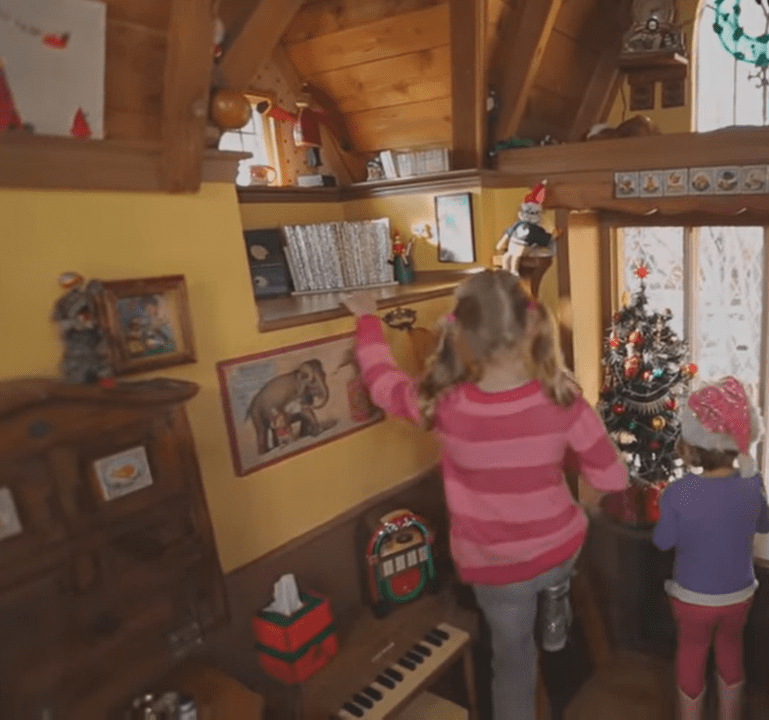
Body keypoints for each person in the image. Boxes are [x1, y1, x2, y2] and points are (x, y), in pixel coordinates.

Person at [342, 269, 628, 720]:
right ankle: (556, 602)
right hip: (559, 547)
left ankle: (545, 610)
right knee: (563, 554)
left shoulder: (444, 403)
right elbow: (612, 479)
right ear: (531, 324)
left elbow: (383, 386)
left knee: (512, 662)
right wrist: (560, 459)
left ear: (461, 333)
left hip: (497, 569)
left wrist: (366, 320)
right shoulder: (563, 398)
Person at [653, 376, 769, 720]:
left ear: (694, 443)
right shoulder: (751, 484)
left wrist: (667, 508)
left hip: (692, 599)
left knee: (691, 653)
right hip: (739, 595)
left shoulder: (678, 492)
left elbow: (663, 541)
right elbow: (764, 525)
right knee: (730, 650)